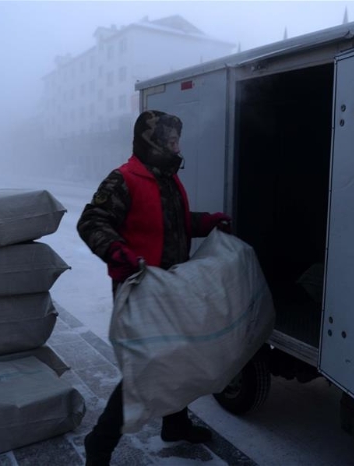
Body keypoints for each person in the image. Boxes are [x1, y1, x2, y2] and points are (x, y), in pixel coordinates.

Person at [77, 110, 231, 465]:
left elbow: (171, 224)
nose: (178, 147)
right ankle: (100, 443)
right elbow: (92, 222)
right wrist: (117, 251)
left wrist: (205, 222)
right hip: (139, 287)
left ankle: (175, 425)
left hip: (169, 284)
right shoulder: (123, 179)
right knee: (142, 369)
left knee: (174, 357)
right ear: (153, 141)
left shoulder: (166, 178)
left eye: (178, 141)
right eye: (172, 141)